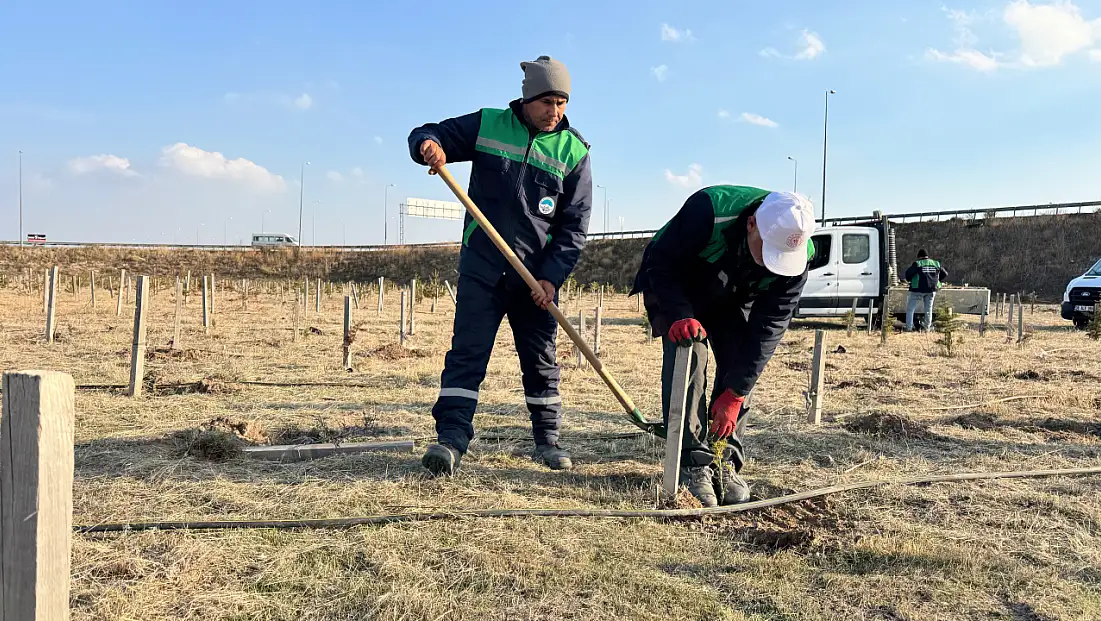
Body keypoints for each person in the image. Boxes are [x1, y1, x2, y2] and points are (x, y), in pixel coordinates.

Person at [407, 56, 592, 476]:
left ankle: (548, 441)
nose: (555, 111)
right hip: (483, 268)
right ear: (528, 99)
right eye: (547, 101)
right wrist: (428, 147)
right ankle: (451, 440)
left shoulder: (574, 151)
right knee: (467, 354)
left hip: (536, 280)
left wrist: (551, 277)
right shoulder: (488, 124)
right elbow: (428, 132)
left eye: (562, 102)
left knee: (541, 360)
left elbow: (574, 226)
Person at [631, 186, 816, 507]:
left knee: (739, 360)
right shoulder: (709, 211)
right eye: (767, 250)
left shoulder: (799, 254)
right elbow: (663, 264)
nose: (773, 265)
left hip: (733, 293)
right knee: (689, 354)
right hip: (680, 285)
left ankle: (723, 457)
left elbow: (769, 327)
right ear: (751, 224)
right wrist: (678, 315)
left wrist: (736, 393)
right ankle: (692, 462)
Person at [904, 249, 948, 332]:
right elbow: (945, 273)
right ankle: (927, 328)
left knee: (910, 309)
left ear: (919, 257)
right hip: (931, 289)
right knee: (928, 309)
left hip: (917, 290)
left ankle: (909, 328)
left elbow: (908, 275)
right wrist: (937, 280)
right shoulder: (936, 264)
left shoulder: (918, 264)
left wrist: (910, 280)